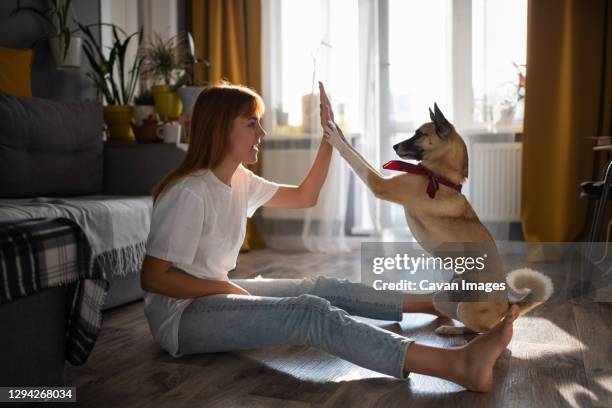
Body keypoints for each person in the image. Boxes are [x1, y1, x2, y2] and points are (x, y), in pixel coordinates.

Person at [140, 82, 519, 393]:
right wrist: (229, 292)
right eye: (252, 124)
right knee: (309, 311)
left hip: (216, 291)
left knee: (320, 286)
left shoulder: (240, 181)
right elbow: (155, 279)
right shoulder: (189, 192)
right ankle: (456, 364)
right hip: (182, 317)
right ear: (223, 129)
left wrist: (329, 139)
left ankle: (429, 305)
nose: (263, 133)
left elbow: (305, 196)